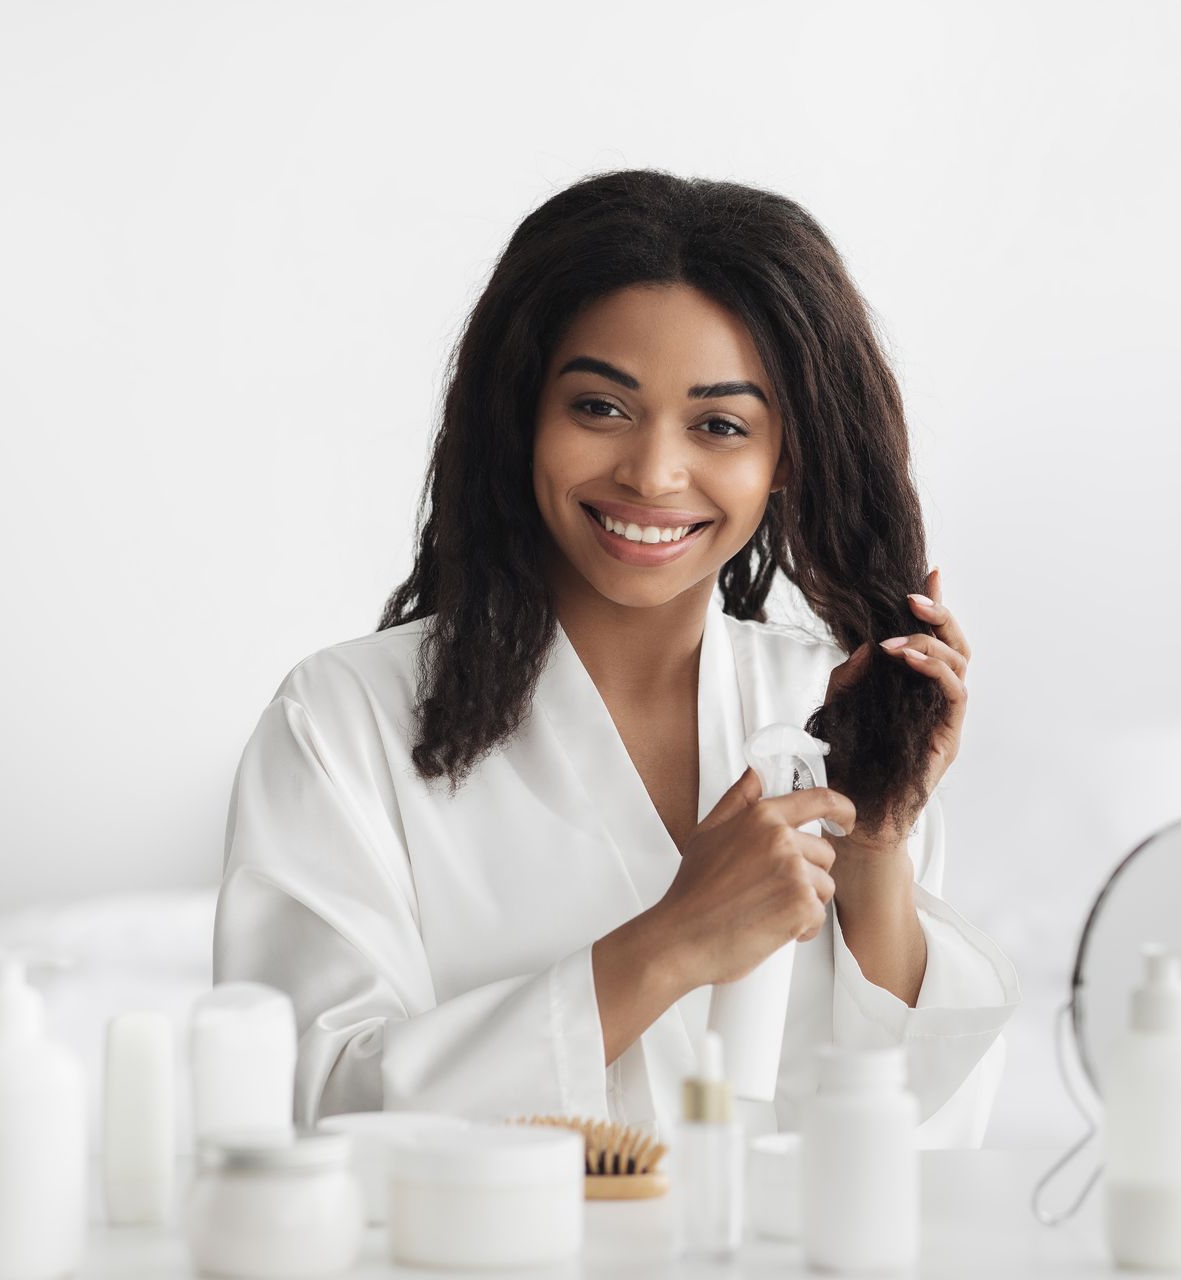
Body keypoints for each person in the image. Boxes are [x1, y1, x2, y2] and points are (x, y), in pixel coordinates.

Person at [214, 170, 1020, 1145]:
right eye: (601, 407)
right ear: (521, 414)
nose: (651, 472)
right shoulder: (341, 717)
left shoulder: (827, 708)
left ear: (786, 459)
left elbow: (920, 1142)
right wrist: (666, 945)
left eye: (721, 424)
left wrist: (877, 848)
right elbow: (305, 1110)